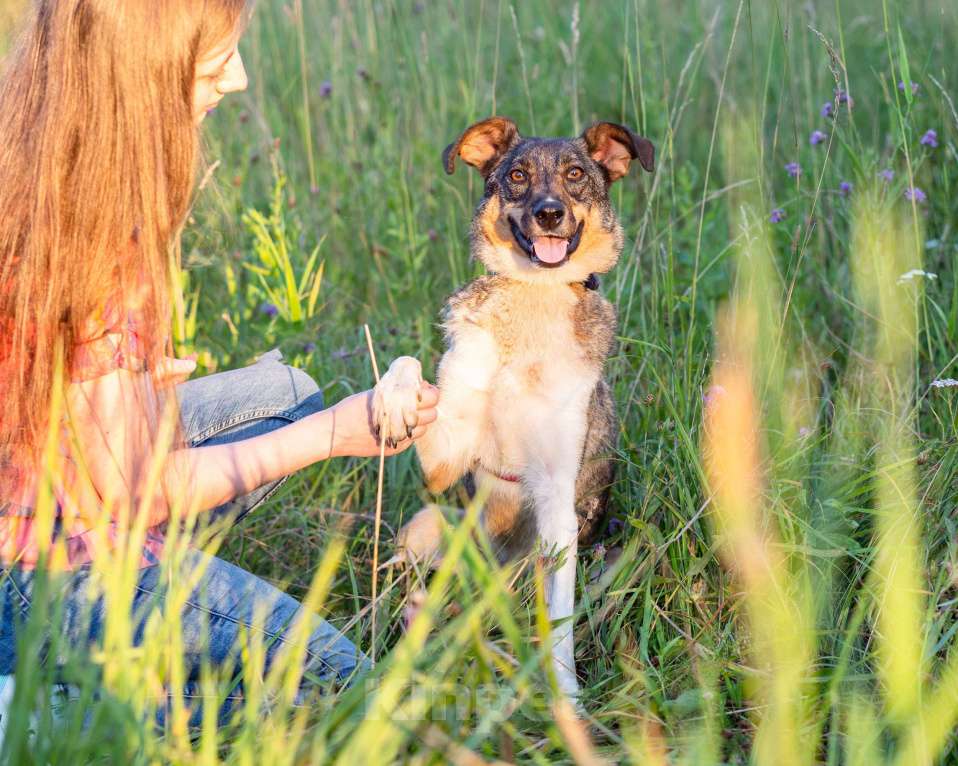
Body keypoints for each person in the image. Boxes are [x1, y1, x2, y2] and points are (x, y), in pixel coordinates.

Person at [0, 0, 438, 725]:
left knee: (284, 393)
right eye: (215, 61)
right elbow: (136, 491)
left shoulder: (30, 146)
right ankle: (41, 710)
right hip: (38, 566)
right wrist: (335, 432)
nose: (236, 79)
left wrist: (125, 388)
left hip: (31, 476)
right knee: (349, 693)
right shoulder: (108, 229)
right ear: (146, 73)